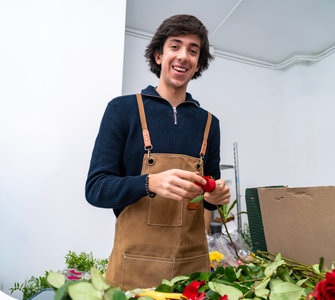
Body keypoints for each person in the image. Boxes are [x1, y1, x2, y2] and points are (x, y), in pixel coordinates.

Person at [85, 14, 230, 290]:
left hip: (192, 272)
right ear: (158, 55)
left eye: (193, 50)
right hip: (134, 269)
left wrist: (215, 197)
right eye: (175, 46)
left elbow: (208, 199)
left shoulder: (210, 124)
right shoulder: (122, 110)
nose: (183, 56)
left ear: (198, 63)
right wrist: (150, 182)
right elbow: (96, 189)